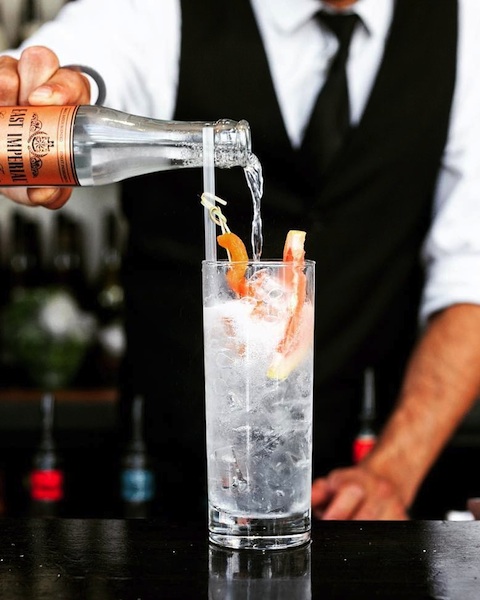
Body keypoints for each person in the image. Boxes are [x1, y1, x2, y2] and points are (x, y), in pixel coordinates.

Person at [1, 0, 480, 520]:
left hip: (374, 497)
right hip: (169, 499)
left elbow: (470, 278)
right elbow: (88, 58)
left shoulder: (464, 22)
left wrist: (392, 470)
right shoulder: (155, 9)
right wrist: (48, 91)